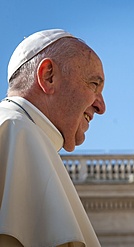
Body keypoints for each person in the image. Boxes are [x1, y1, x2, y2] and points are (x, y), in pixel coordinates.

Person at [0, 29, 105, 246]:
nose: (101, 106)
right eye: (94, 85)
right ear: (49, 76)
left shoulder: (25, 132)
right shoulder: (16, 131)